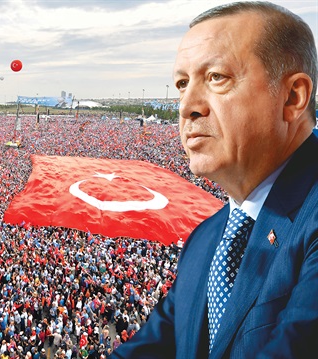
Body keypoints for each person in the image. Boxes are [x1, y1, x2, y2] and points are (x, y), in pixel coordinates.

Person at [112, 1, 317, 358]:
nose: (187, 105)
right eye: (181, 83)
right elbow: (154, 346)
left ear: (292, 97)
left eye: (216, 78)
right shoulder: (206, 239)